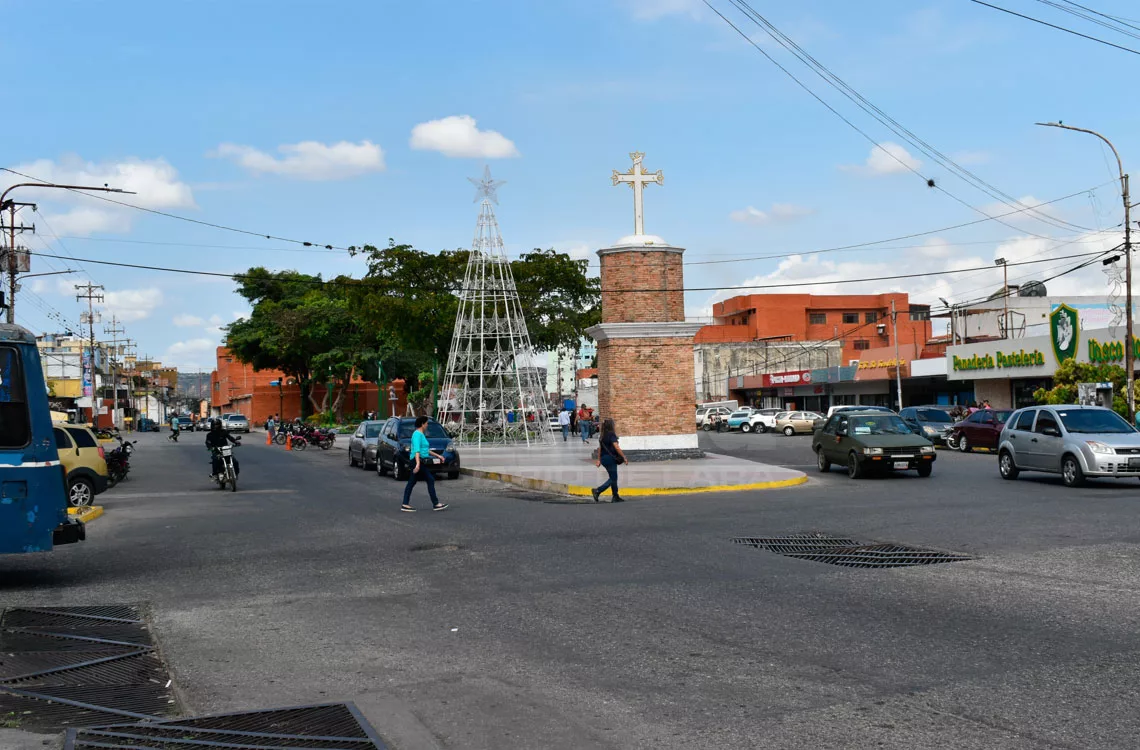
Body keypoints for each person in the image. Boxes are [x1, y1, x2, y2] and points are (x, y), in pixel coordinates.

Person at [402, 416, 449, 512]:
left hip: (420, 461)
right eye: (426, 423)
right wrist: (418, 464)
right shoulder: (417, 435)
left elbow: (425, 450)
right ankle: (436, 504)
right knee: (429, 479)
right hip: (417, 461)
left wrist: (438, 456)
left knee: (412, 482)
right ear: (422, 424)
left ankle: (405, 504)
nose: (427, 425)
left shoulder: (421, 435)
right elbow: (416, 450)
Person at [591, 418, 627, 503]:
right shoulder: (611, 435)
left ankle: (615, 496)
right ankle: (598, 491)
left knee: (613, 477)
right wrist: (624, 457)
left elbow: (600, 449)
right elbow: (616, 447)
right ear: (611, 425)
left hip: (604, 459)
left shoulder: (602, 435)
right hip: (610, 459)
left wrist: (599, 460)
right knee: (613, 478)